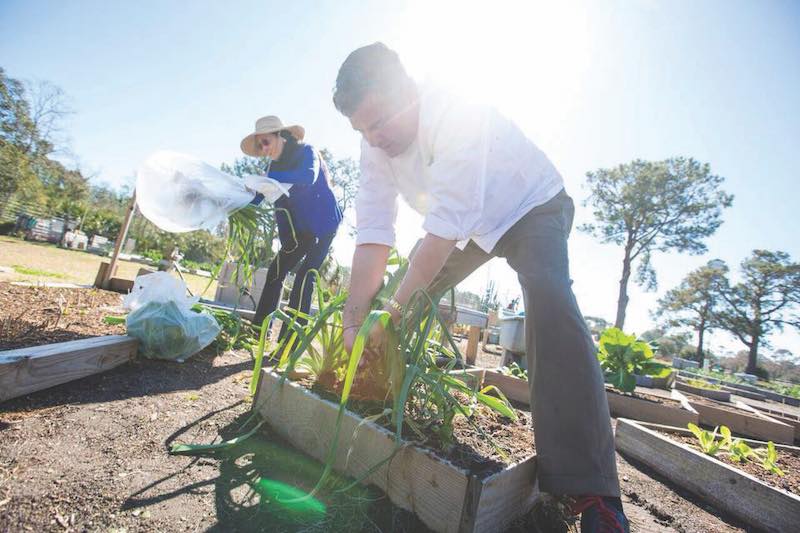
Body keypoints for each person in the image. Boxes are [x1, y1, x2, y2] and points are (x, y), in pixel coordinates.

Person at [332, 43, 629, 532]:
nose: (374, 136)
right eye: (361, 129)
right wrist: (353, 323)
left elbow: (443, 229)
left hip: (530, 206)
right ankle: (377, 396)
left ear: (407, 89)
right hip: (468, 226)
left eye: (379, 121)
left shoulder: (454, 110)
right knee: (408, 297)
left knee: (550, 298)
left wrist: (389, 313)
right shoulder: (373, 143)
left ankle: (595, 492)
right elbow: (373, 235)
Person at [239, 116, 342, 334]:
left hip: (323, 223)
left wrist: (269, 178)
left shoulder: (307, 152)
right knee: (276, 272)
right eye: (259, 146)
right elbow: (257, 198)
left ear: (281, 136)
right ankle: (259, 330)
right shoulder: (274, 167)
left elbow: (308, 177)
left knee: (305, 278)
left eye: (265, 142)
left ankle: (291, 341)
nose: (263, 149)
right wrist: (235, 201)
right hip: (299, 229)